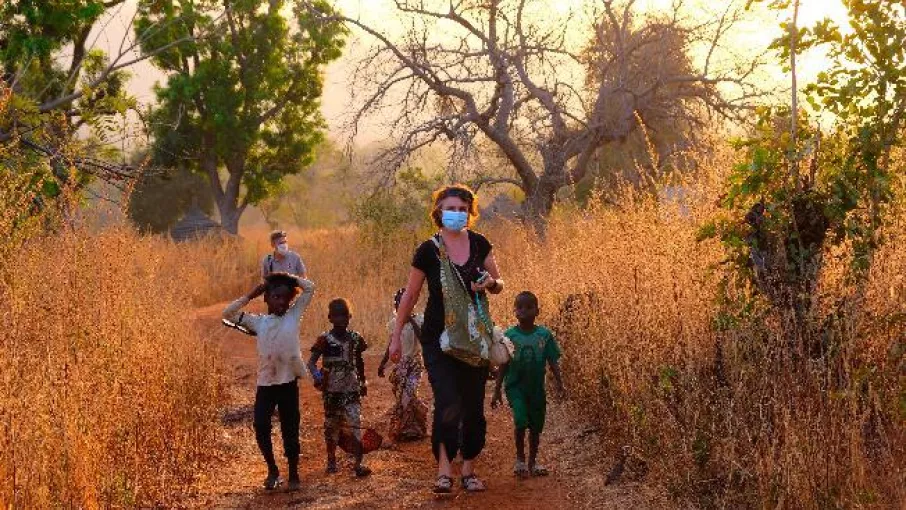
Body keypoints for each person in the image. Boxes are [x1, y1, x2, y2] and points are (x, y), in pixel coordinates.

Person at [390, 184, 504, 494]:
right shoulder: (427, 250)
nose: (456, 213)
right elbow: (411, 294)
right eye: (450, 208)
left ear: (470, 212)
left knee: (472, 406)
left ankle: (468, 468)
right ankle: (443, 470)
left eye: (463, 209)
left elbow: (499, 283)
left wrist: (490, 283)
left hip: (474, 339)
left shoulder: (480, 244)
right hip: (438, 340)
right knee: (447, 400)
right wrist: (396, 336)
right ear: (439, 211)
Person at [222, 272, 316, 491]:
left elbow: (310, 288)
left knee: (290, 430)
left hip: (288, 383)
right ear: (266, 298)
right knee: (261, 425)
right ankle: (272, 469)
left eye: (285, 298)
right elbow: (228, 314)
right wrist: (251, 294)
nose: (281, 302)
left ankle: (293, 472)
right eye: (275, 297)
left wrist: (289, 278)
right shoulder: (258, 323)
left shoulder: (294, 315)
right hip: (265, 384)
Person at [491, 291, 566, 478]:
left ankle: (533, 462)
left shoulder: (544, 335)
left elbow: (553, 361)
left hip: (537, 390)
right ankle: (520, 459)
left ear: (537, 311)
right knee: (520, 420)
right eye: (520, 307)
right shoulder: (509, 336)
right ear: (514, 311)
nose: (524, 311)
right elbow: (503, 365)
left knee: (535, 426)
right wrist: (497, 390)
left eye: (529, 307)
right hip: (515, 387)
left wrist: (560, 383)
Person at [307, 298, 372, 478]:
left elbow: (359, 362)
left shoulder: (355, 338)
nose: (341, 319)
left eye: (344, 315)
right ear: (330, 318)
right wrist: (319, 378)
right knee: (331, 426)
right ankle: (331, 460)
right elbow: (311, 363)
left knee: (355, 423)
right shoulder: (325, 340)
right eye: (337, 316)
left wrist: (362, 382)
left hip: (351, 388)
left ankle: (358, 463)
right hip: (332, 391)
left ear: (349, 316)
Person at [378, 288, 428, 443]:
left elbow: (423, 340)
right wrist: (383, 363)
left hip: (414, 364)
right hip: (400, 366)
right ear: (396, 306)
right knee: (403, 397)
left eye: (408, 303)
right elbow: (391, 345)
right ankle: (410, 429)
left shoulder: (418, 321)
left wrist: (412, 321)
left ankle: (405, 426)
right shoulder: (394, 324)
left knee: (408, 395)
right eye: (401, 304)